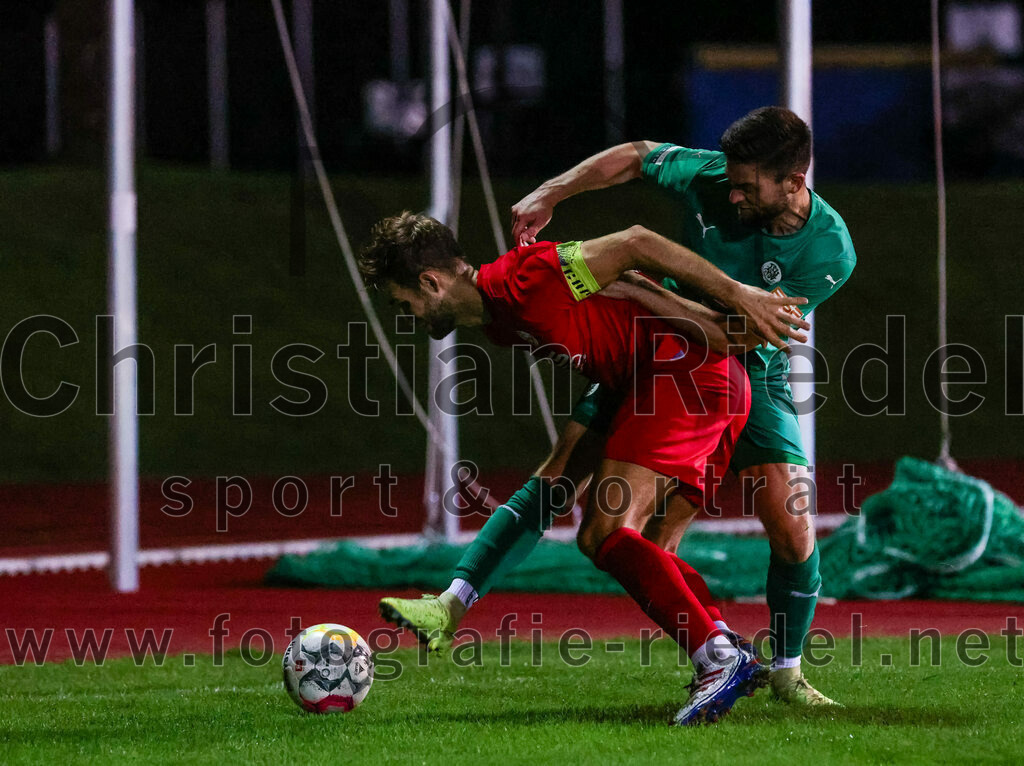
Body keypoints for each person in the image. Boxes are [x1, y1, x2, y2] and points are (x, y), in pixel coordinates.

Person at [382, 106, 856, 707]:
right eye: (730, 179)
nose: (729, 193)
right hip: (653, 359)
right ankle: (452, 604)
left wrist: (648, 288)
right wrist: (554, 191)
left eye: (746, 186)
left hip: (716, 366)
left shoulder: (829, 251)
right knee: (581, 499)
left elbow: (721, 323)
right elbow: (635, 154)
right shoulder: (711, 176)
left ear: (793, 182)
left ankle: (770, 667)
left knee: (783, 529)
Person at [360, 211, 808, 725]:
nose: (407, 315)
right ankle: (450, 606)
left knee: (604, 531)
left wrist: (737, 296)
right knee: (561, 489)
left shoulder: (525, 277)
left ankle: (719, 658)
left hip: (682, 373)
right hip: (640, 376)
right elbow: (624, 294)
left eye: (404, 303)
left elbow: (636, 240)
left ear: (430, 282)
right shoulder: (498, 320)